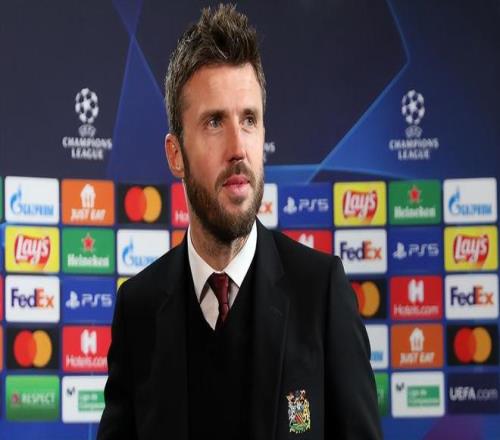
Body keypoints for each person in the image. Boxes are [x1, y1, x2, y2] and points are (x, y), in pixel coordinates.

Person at [98, 4, 382, 439]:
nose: (238, 148)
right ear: (175, 154)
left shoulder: (320, 293)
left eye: (249, 119)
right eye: (214, 122)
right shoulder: (139, 309)